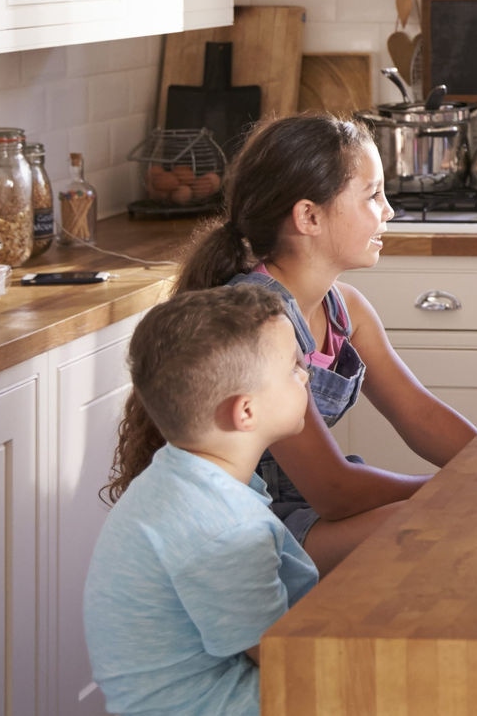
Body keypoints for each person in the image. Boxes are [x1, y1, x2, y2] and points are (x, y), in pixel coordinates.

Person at [103, 114, 477, 572]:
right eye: (372, 196)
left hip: (303, 511)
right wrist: (455, 488)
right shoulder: (258, 325)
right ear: (309, 216)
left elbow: (417, 412)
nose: (389, 211)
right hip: (250, 528)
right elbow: (333, 490)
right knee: (428, 522)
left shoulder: (347, 310)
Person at [84, 285, 319, 716]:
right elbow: (285, 659)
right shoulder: (224, 530)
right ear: (244, 412)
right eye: (292, 368)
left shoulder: (182, 476)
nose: (304, 374)